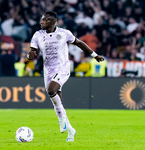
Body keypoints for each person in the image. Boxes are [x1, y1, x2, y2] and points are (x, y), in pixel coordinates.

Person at [27, 11, 104, 142]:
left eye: (44, 20)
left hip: (63, 68)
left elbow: (79, 43)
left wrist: (94, 55)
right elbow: (32, 50)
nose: (41, 22)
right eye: (41, 20)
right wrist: (30, 55)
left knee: (51, 90)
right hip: (48, 70)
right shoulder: (37, 35)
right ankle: (70, 131)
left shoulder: (64, 33)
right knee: (57, 102)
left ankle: (61, 120)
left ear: (52, 22)